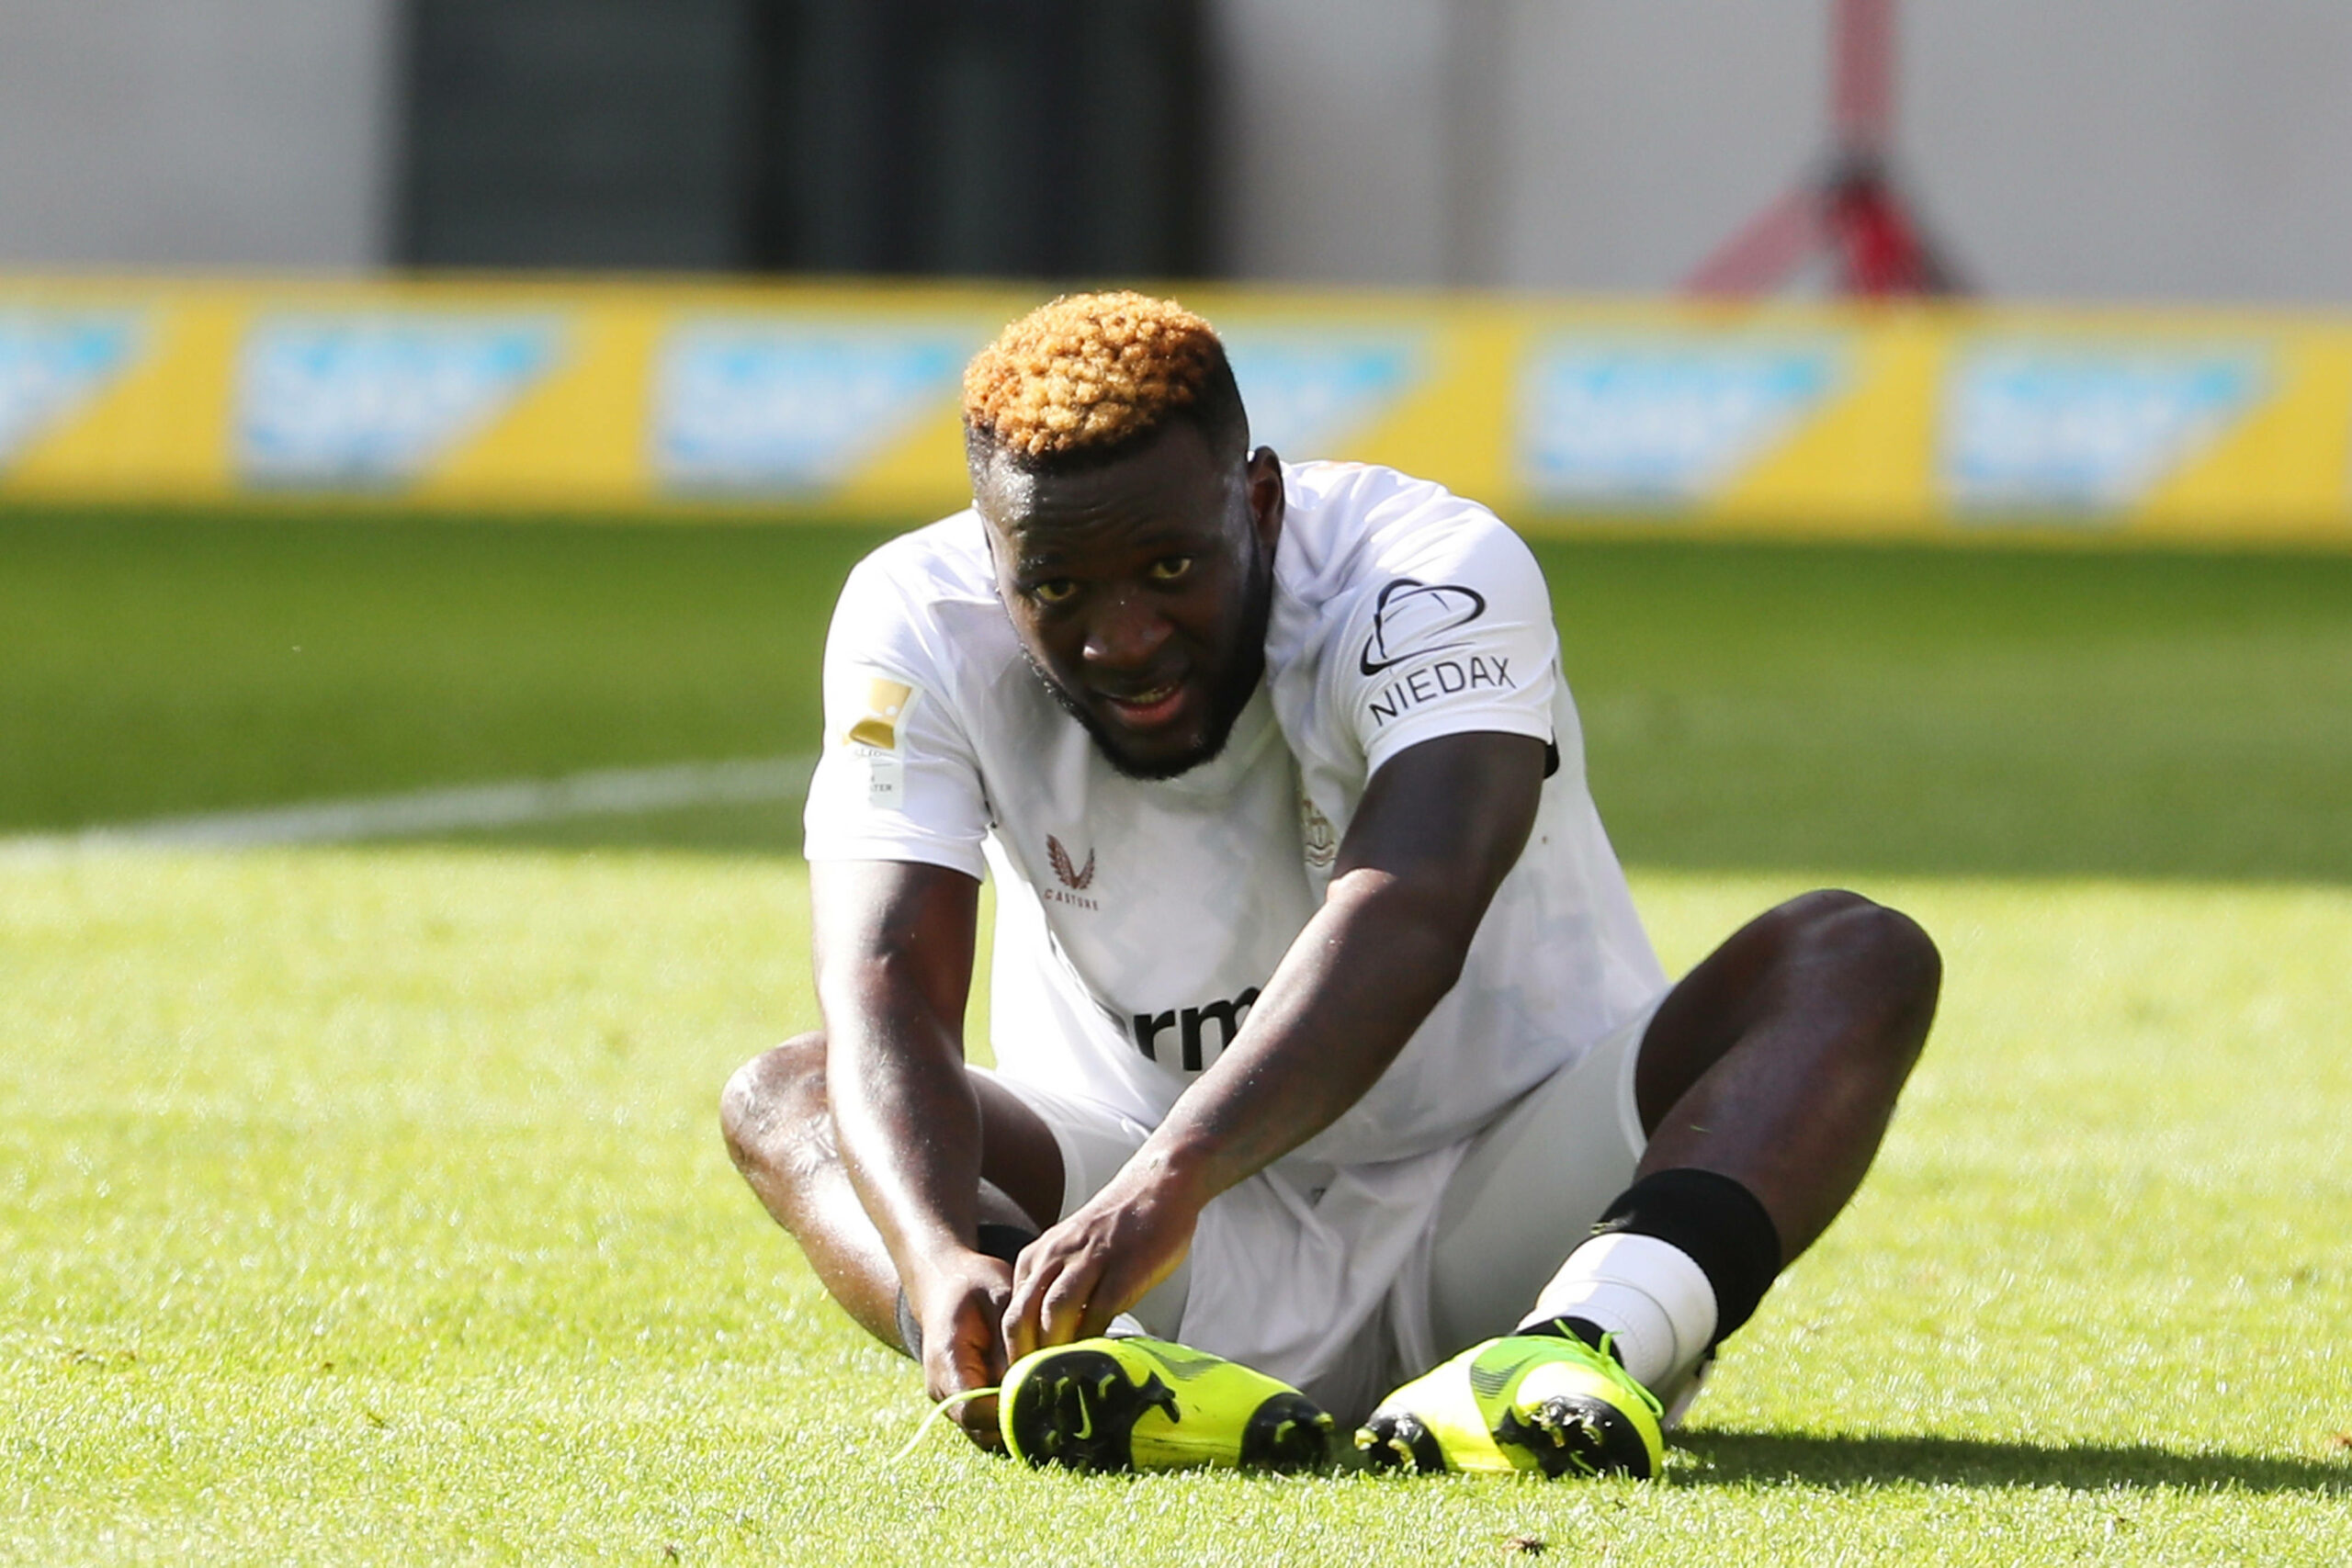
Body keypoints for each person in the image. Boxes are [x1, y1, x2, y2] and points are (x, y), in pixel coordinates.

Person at [720, 291, 1940, 1476]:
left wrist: (1173, 1180)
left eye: (1166, 567)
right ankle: (1099, 1379)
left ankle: (1581, 1349)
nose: (1121, 638)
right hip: (1145, 1274)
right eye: (1054, 588)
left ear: (1258, 500)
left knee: (1851, 956)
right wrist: (936, 1261)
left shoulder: (1428, 571)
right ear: (993, 563)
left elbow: (1413, 903)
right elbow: (885, 979)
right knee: (789, 1095)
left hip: (1514, 1207)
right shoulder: (912, 620)